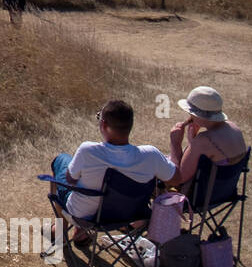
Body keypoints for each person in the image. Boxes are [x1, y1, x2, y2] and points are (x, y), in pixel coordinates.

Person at [47, 100, 177, 241]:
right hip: (128, 216)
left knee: (61, 160)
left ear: (103, 124)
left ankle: (60, 232)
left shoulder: (88, 151)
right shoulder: (152, 155)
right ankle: (80, 233)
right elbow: (176, 179)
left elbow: (70, 179)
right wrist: (176, 143)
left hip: (83, 216)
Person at [163, 87, 247, 194]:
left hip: (200, 196)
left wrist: (175, 143)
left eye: (190, 113)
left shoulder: (204, 140)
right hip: (224, 192)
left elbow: (178, 178)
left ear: (198, 115)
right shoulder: (234, 128)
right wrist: (192, 143)